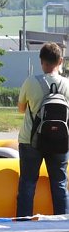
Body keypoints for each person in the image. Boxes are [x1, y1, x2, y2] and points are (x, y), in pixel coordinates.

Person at [16, 41, 69, 218]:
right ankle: (62, 224)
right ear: (60, 61)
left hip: (30, 141)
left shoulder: (31, 81)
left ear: (41, 61)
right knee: (60, 184)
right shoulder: (67, 84)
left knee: (28, 184)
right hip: (60, 141)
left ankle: (23, 224)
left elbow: (21, 108)